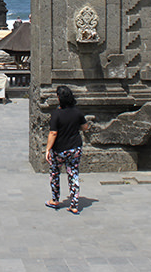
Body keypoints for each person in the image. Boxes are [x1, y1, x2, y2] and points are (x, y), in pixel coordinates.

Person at [44, 85, 88, 214]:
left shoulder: (56, 114)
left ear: (59, 98)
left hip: (60, 149)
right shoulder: (77, 112)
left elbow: (53, 133)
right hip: (75, 148)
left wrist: (47, 149)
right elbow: (85, 127)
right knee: (73, 174)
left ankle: (55, 199)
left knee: (55, 173)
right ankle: (74, 204)